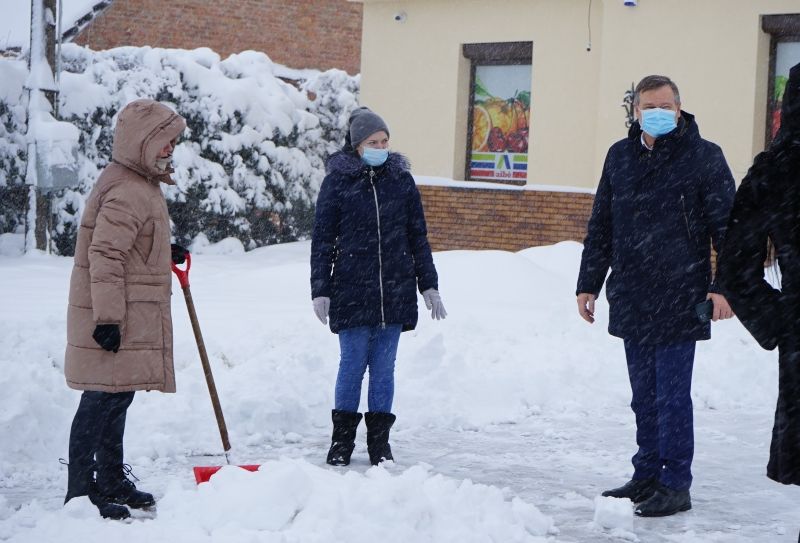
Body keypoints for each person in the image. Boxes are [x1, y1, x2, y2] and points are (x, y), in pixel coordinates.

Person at [575, 75, 736, 517]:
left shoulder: (704, 157)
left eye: (667, 105)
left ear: (680, 108)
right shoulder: (619, 156)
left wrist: (723, 287)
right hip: (631, 293)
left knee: (671, 396)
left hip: (682, 296)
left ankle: (675, 482)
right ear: (635, 110)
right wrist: (588, 282)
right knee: (643, 396)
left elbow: (730, 231)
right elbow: (601, 225)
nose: (659, 112)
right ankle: (647, 472)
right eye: (650, 105)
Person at [63, 99, 187, 520]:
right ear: (141, 143)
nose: (171, 149)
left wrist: (160, 251)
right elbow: (106, 255)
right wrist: (109, 319)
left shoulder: (137, 181)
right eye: (164, 142)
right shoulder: (129, 188)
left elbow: (127, 246)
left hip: (124, 311)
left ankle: (112, 479)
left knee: (116, 399)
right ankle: (81, 491)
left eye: (173, 142)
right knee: (99, 400)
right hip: (113, 314)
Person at [310, 107, 446, 467]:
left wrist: (428, 285)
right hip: (352, 289)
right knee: (352, 364)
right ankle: (341, 443)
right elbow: (323, 239)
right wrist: (320, 288)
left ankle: (379, 445)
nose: (381, 147)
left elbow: (418, 237)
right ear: (357, 146)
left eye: (385, 141)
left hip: (395, 290)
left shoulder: (400, 181)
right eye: (374, 142)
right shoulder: (337, 183)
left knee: (384, 368)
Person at [717, 62, 800, 488]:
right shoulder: (778, 170)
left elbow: (736, 269)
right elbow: (735, 269)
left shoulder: (775, 168)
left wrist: (784, 323)